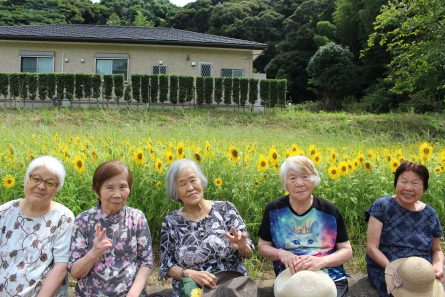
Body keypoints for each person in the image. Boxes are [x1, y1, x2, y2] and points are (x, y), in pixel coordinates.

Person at [258, 155, 353, 297]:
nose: (299, 183)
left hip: (329, 278)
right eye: (292, 178)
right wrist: (280, 254)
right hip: (291, 280)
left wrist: (322, 261)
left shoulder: (329, 211)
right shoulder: (274, 211)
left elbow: (346, 250)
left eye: (305, 176)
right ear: (285, 183)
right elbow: (262, 246)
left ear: (314, 179)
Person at [160, 159, 253, 297]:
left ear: (201, 181)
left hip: (231, 287)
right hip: (192, 290)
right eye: (182, 184)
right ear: (176, 191)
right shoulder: (171, 222)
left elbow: (248, 253)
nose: (190, 187)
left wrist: (242, 246)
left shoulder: (226, 209)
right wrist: (189, 273)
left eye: (193, 180)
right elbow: (166, 266)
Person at [69, 160, 153, 297]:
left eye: (123, 187)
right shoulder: (83, 221)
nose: (117, 194)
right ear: (97, 191)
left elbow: (146, 262)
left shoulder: (137, 218)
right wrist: (94, 252)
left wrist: (133, 293)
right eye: (110, 188)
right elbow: (75, 273)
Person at [366, 161, 444, 297]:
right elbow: (372, 248)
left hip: (422, 272)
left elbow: (436, 250)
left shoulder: (430, 214)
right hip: (387, 267)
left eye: (415, 183)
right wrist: (393, 270)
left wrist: (438, 266)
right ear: (396, 183)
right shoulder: (382, 206)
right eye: (403, 181)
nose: (408, 188)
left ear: (424, 187)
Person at [0, 155, 74, 297]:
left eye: (50, 183)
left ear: (57, 189)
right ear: (25, 179)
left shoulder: (63, 218)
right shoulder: (4, 212)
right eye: (36, 179)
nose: (41, 186)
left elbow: (61, 266)